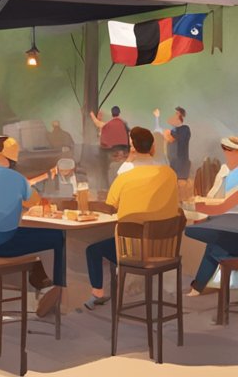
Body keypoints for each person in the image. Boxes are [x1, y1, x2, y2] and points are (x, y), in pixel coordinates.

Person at [0, 136, 63, 317]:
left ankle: (41, 280)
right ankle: (53, 289)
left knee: (29, 236)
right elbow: (34, 201)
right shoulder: (16, 178)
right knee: (56, 236)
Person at [83, 127, 178, 310]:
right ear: (152, 148)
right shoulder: (169, 174)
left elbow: (111, 207)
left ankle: (98, 294)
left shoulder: (125, 176)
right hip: (164, 250)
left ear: (132, 147)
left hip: (133, 252)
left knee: (93, 250)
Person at [184, 135, 238, 296]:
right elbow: (216, 197)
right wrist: (203, 201)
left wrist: (199, 205)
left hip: (231, 221)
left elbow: (225, 204)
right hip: (228, 221)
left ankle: (199, 286)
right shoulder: (224, 170)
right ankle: (199, 286)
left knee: (215, 244)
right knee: (216, 243)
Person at [91, 105, 130, 185]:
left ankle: (107, 186)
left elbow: (98, 124)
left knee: (107, 169)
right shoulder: (123, 124)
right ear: (119, 113)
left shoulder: (109, 124)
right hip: (123, 152)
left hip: (112, 151)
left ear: (112, 114)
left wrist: (91, 114)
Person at [154, 106, 192, 181]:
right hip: (172, 166)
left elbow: (169, 137)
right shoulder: (173, 131)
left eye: (175, 114)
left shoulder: (184, 129)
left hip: (181, 168)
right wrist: (157, 118)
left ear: (179, 115)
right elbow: (159, 131)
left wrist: (166, 133)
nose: (172, 117)